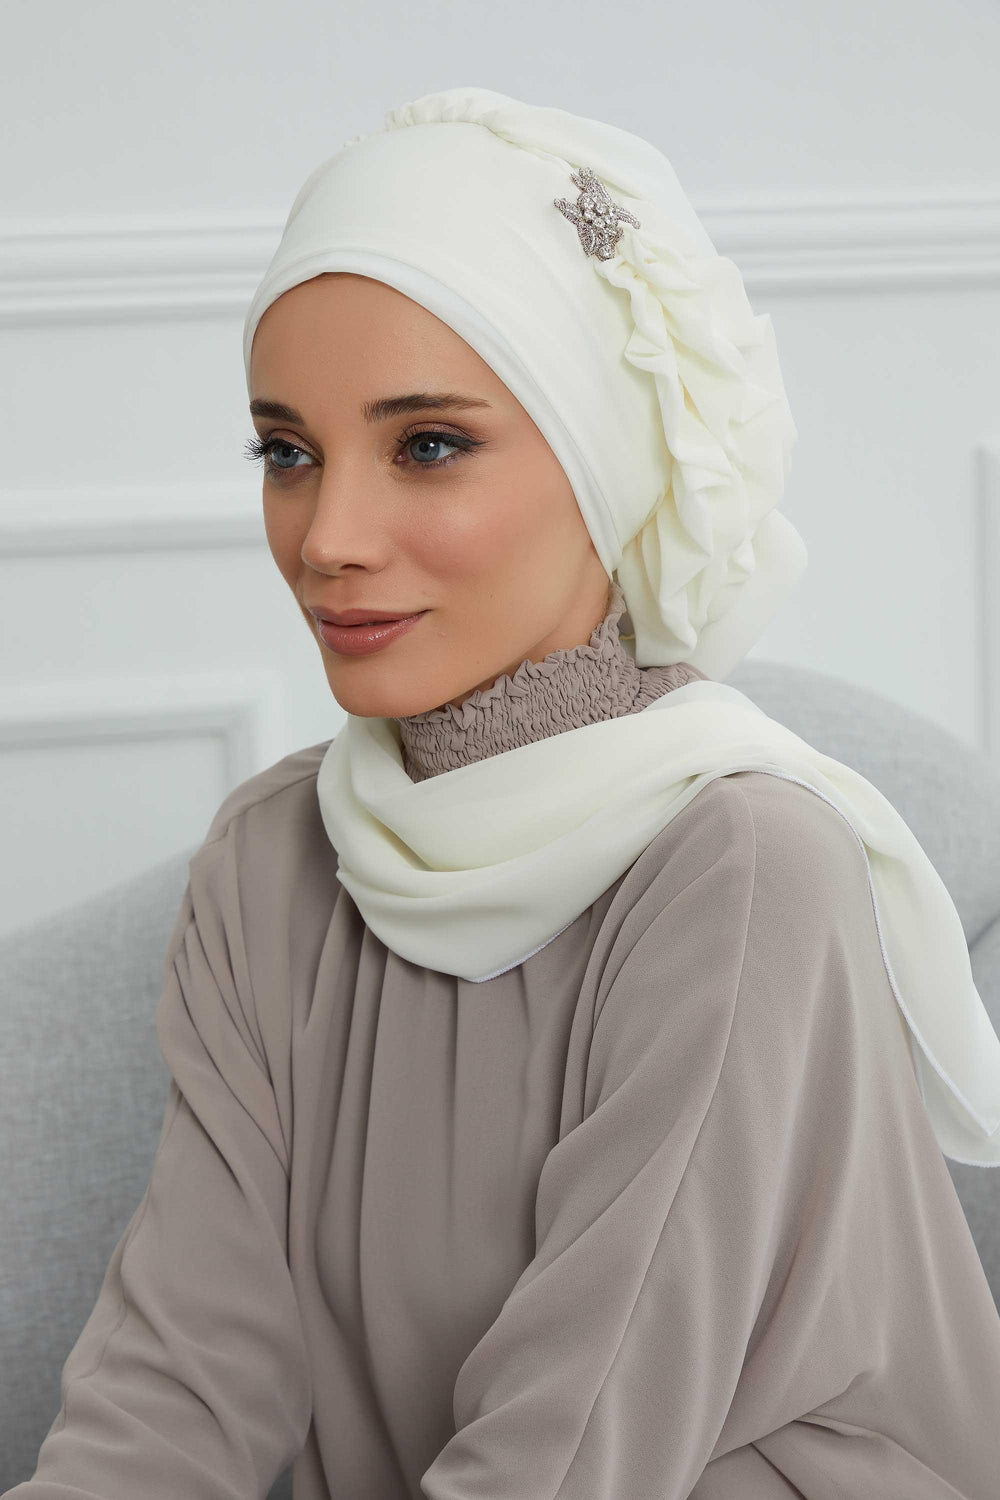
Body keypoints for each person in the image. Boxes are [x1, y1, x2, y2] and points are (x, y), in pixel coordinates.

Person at [8, 85, 1000, 1500]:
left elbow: (577, 1448)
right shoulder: (273, 859)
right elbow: (182, 1378)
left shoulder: (742, 865)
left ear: (605, 464)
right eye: (287, 453)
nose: (328, 538)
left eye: (428, 445)